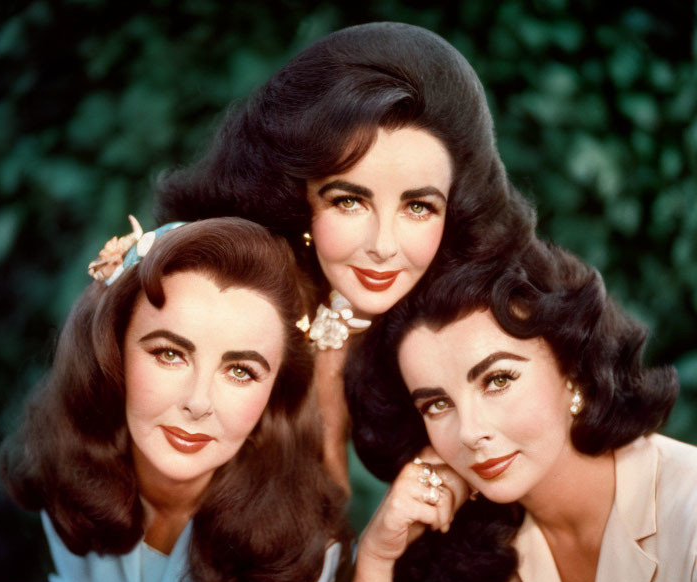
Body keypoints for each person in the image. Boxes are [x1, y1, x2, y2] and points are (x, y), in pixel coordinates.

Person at [306, 243, 692, 582]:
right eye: (437, 404)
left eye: (498, 380)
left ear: (573, 370)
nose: (469, 433)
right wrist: (376, 555)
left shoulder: (686, 509)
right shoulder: (480, 531)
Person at [0, 216, 352, 582]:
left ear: (275, 395)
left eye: (241, 371)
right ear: (114, 351)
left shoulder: (297, 536)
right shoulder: (72, 472)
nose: (198, 403)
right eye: (169, 354)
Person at [156, 21, 537, 490]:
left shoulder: (478, 326)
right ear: (298, 197)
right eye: (349, 201)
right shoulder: (220, 300)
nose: (383, 245)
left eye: (418, 206)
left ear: (454, 210)